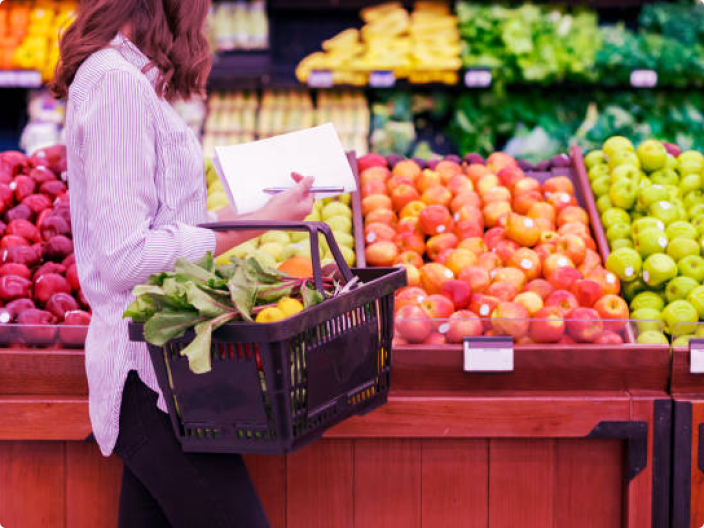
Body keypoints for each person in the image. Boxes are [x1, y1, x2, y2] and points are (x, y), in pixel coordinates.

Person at [50, 1, 314, 526]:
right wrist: (253, 226)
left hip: (168, 374)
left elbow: (160, 223)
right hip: (148, 379)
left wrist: (254, 213)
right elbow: (126, 257)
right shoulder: (115, 85)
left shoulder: (125, 78)